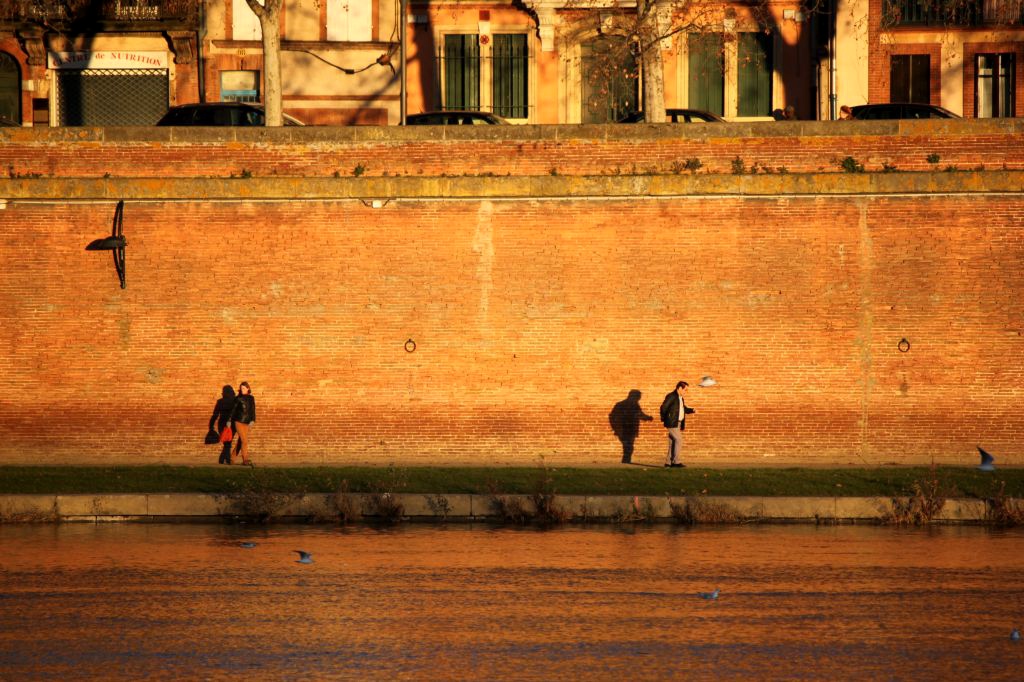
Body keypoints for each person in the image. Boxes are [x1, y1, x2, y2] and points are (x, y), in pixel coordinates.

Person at [608, 390, 654, 464]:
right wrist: (648, 418)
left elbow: (612, 416)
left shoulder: (621, 404)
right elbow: (639, 414)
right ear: (634, 396)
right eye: (638, 397)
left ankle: (626, 461)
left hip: (624, 429)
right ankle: (626, 461)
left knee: (627, 446)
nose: (639, 398)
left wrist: (615, 427)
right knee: (628, 446)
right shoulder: (633, 404)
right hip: (628, 428)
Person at [659, 381, 695, 468]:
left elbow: (683, 408)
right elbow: (663, 407)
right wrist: (665, 419)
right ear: (679, 388)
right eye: (685, 390)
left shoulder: (680, 398)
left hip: (677, 423)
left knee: (673, 442)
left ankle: (668, 462)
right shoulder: (671, 396)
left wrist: (691, 410)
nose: (686, 392)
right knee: (679, 440)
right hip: (672, 423)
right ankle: (676, 462)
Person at [231, 381, 256, 466]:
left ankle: (232, 458)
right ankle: (245, 460)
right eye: (241, 388)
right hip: (238, 421)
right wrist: (228, 421)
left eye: (244, 388)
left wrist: (253, 419)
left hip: (247, 422)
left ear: (248, 389)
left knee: (241, 441)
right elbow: (233, 410)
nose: (242, 390)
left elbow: (253, 409)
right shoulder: (238, 398)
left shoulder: (251, 398)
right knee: (244, 441)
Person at [209, 385, 236, 465]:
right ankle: (226, 459)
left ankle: (222, 459)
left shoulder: (220, 401)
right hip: (231, 424)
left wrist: (211, 425)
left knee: (226, 443)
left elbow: (215, 414)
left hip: (221, 424)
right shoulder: (234, 401)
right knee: (228, 443)